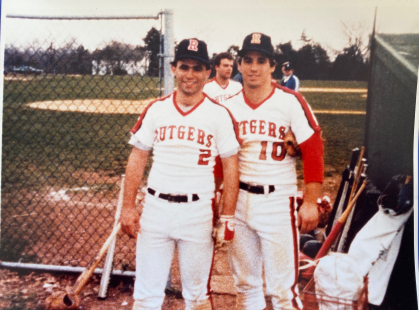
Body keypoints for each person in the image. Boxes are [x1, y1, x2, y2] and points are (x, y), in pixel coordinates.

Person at [120, 38, 240, 310]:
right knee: (147, 295)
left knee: (197, 296)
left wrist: (228, 216)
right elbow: (137, 158)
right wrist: (128, 207)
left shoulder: (218, 114)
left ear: (208, 72)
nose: (190, 74)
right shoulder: (156, 109)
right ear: (173, 68)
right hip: (156, 209)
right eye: (184, 66)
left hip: (197, 212)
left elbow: (232, 167)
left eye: (197, 68)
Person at [224, 33, 323, 310]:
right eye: (248, 60)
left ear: (272, 66)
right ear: (239, 65)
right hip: (239, 200)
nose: (254, 67)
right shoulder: (229, 106)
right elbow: (221, 162)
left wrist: (311, 202)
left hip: (278, 200)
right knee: (245, 284)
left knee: (282, 289)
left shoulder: (290, 101)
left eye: (261, 60)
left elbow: (314, 150)